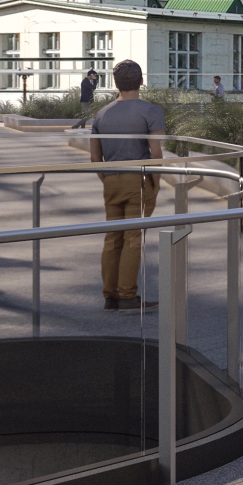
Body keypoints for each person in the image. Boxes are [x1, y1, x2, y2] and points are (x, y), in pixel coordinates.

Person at [86, 59, 166, 311]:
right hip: (139, 179)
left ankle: (110, 294)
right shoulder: (150, 111)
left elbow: (94, 157)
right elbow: (156, 152)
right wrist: (156, 181)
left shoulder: (102, 114)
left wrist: (107, 178)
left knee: (112, 238)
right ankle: (128, 294)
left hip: (111, 179)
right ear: (141, 81)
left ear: (115, 83)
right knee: (133, 237)